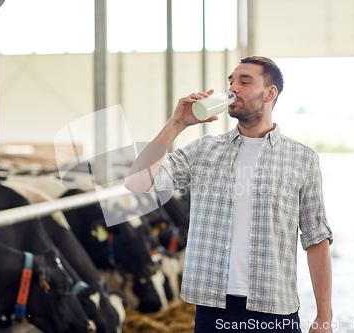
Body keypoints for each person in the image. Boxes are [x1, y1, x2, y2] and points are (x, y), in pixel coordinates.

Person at [125, 56, 333, 332]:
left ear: (270, 93)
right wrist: (177, 123)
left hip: (275, 308)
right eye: (231, 81)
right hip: (213, 309)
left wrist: (324, 316)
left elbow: (316, 237)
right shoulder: (204, 150)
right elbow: (137, 181)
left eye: (244, 82)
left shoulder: (301, 158)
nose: (233, 88)